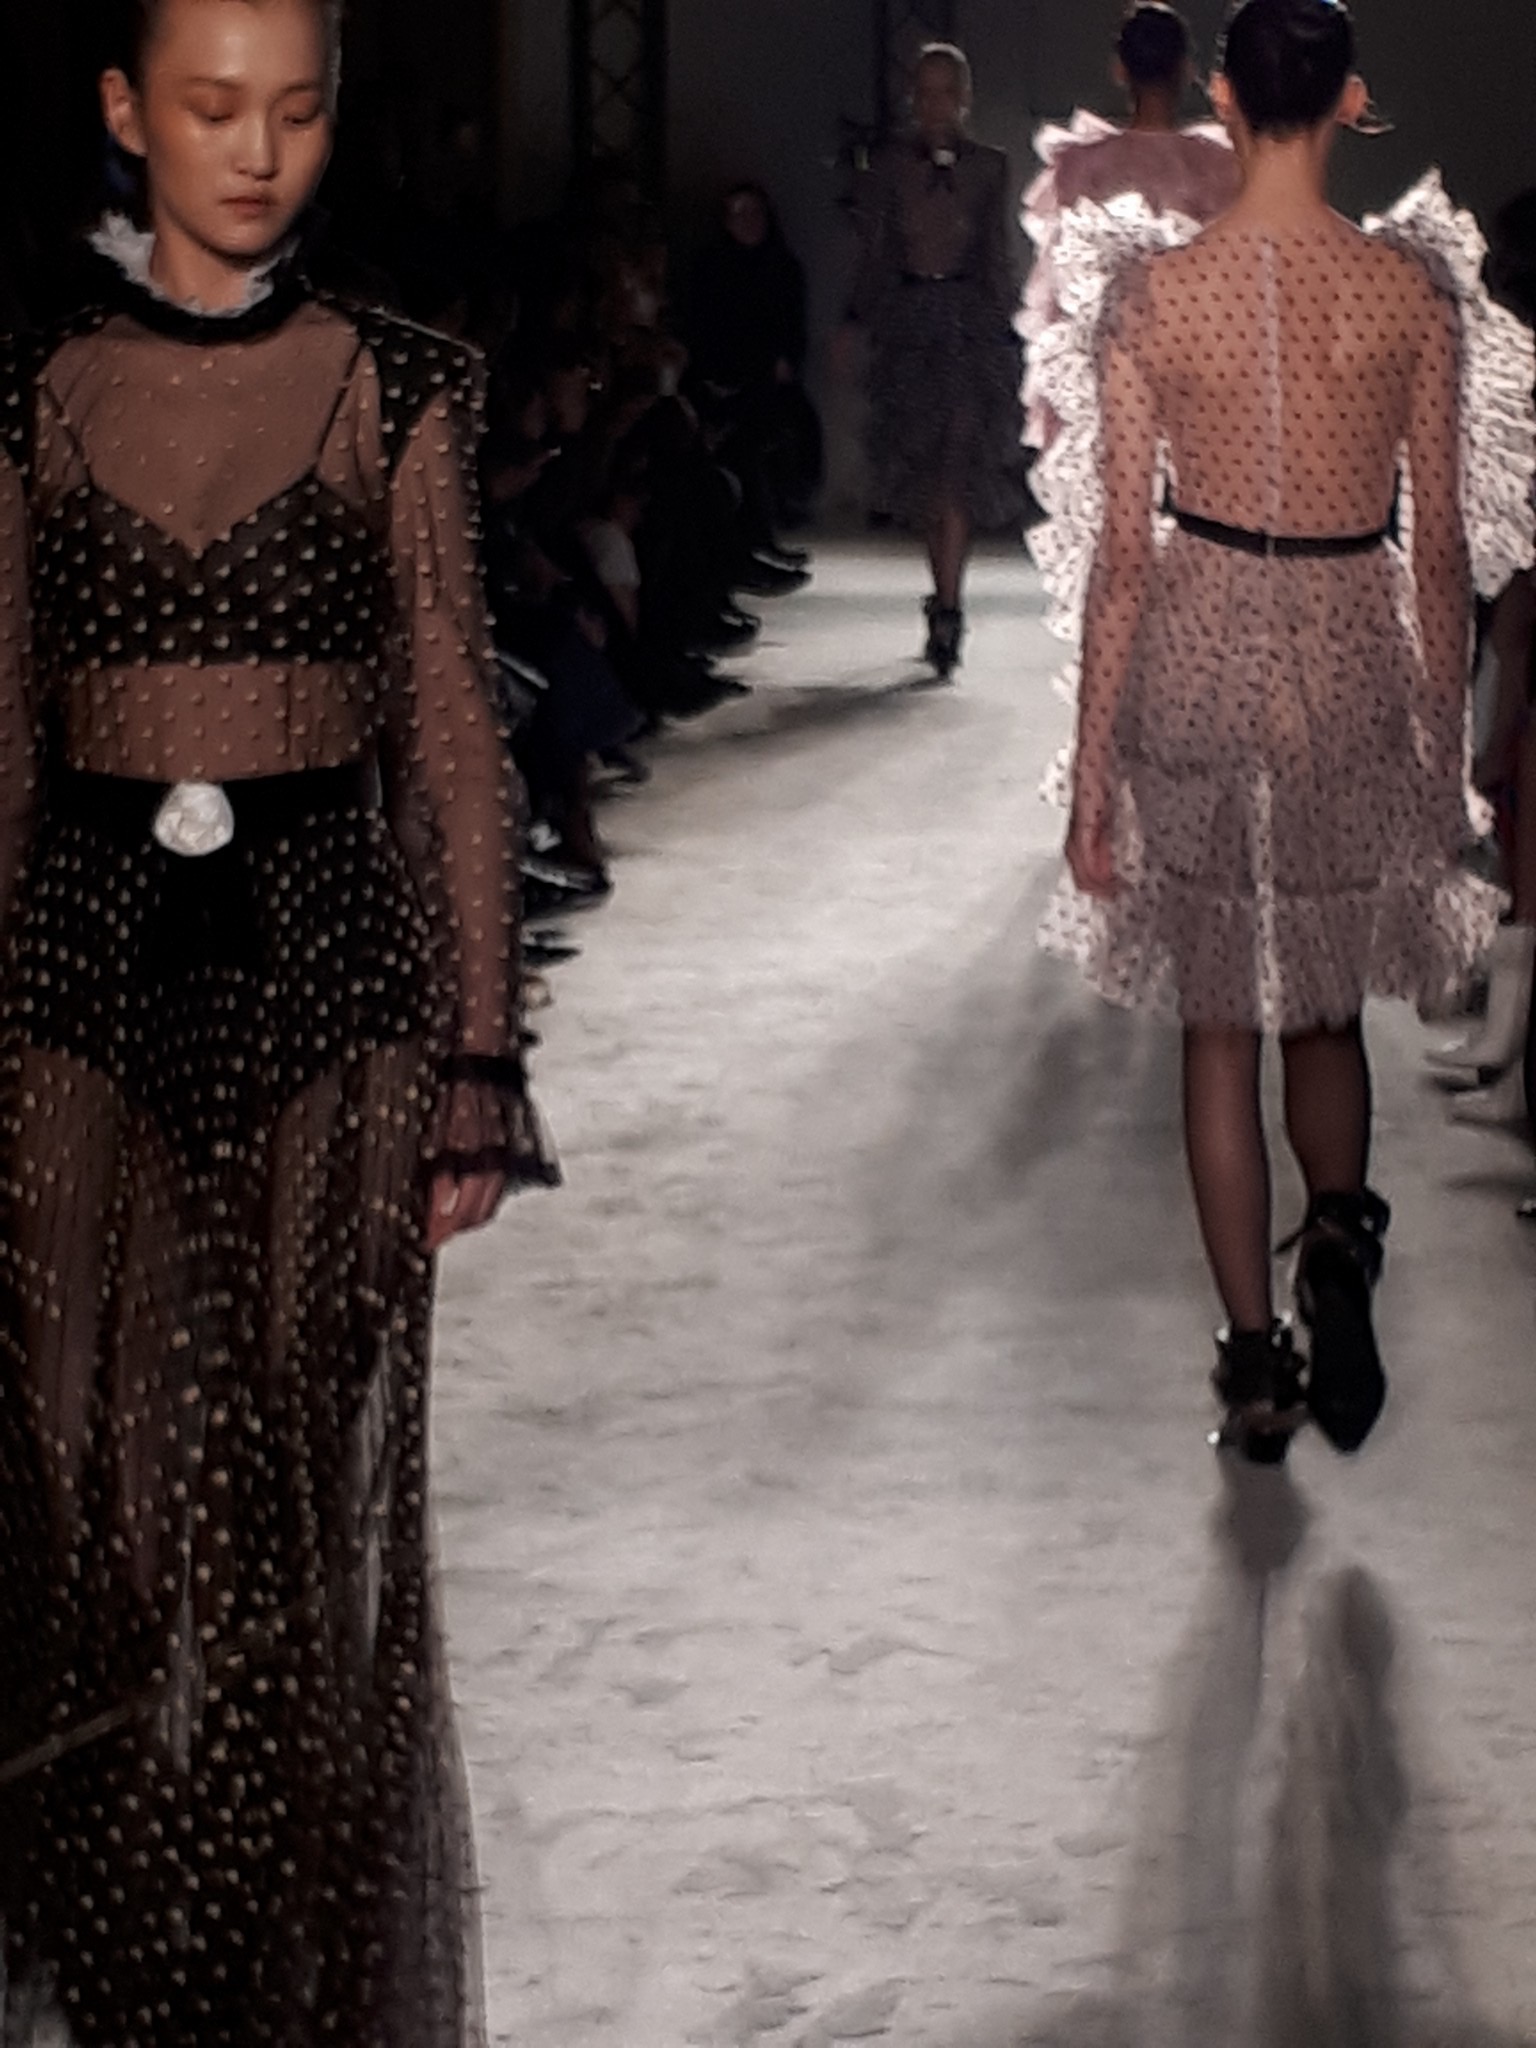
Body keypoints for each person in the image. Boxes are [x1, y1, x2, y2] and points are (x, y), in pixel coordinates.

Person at [0, 0, 557, 2040]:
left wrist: (479, 1055)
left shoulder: (397, 383)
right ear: (124, 110)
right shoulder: (30, 387)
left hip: (335, 984)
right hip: (76, 978)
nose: (256, 151)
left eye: (299, 110)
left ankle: (271, 1964)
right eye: (213, 107)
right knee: (93, 1488)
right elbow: (1, 731)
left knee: (302, 1498)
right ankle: (124, 1943)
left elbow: (450, 727)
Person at [1040, 0, 1533, 1462]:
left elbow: (1118, 563)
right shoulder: (1408, 294)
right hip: (1346, 644)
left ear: (1221, 96)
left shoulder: (1153, 294)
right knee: (1321, 1000)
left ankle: (1256, 1366)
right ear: (1351, 100)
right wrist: (1441, 752)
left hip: (1198, 636)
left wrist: (1089, 777)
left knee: (1218, 1024)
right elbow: (1440, 556)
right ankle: (1336, 1233)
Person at [840, 42, 1026, 680]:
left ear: (965, 98)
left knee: (957, 468)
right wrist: (854, 318)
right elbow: (876, 250)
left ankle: (949, 607)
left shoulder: (990, 166)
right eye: (924, 91)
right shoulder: (890, 166)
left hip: (969, 325)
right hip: (911, 323)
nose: (935, 104)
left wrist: (1013, 325)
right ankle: (942, 595)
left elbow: (996, 252)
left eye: (946, 91)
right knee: (925, 471)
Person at [1022, 4, 1241, 450]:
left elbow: (1059, 297)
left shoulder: (1080, 166)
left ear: (1120, 69)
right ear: (1187, 70)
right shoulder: (1217, 167)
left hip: (1104, 375)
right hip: (1194, 374)